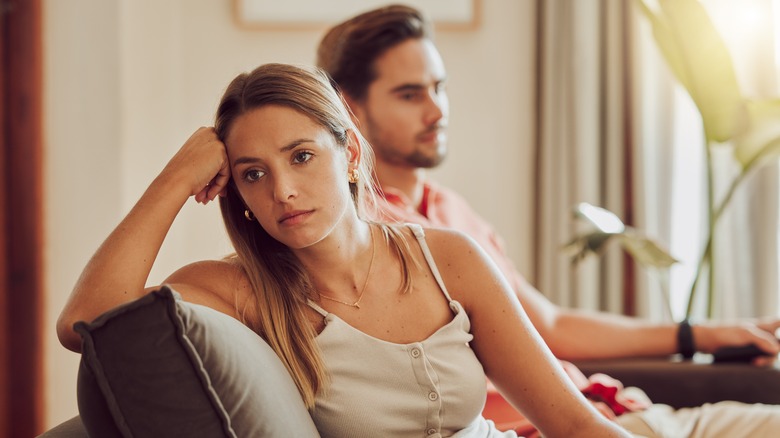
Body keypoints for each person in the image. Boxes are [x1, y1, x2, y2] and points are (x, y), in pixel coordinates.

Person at [56, 63, 631, 437]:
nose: (281, 190)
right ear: (234, 190)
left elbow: (575, 424)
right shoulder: (235, 291)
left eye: (301, 156)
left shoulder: (448, 259)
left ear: (351, 154)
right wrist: (175, 178)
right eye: (252, 173)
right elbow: (84, 325)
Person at [316, 4, 780, 437]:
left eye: (439, 87)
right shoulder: (362, 237)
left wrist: (698, 333)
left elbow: (549, 324)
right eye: (410, 94)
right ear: (348, 106)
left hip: (621, 410)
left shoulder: (449, 209)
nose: (437, 111)